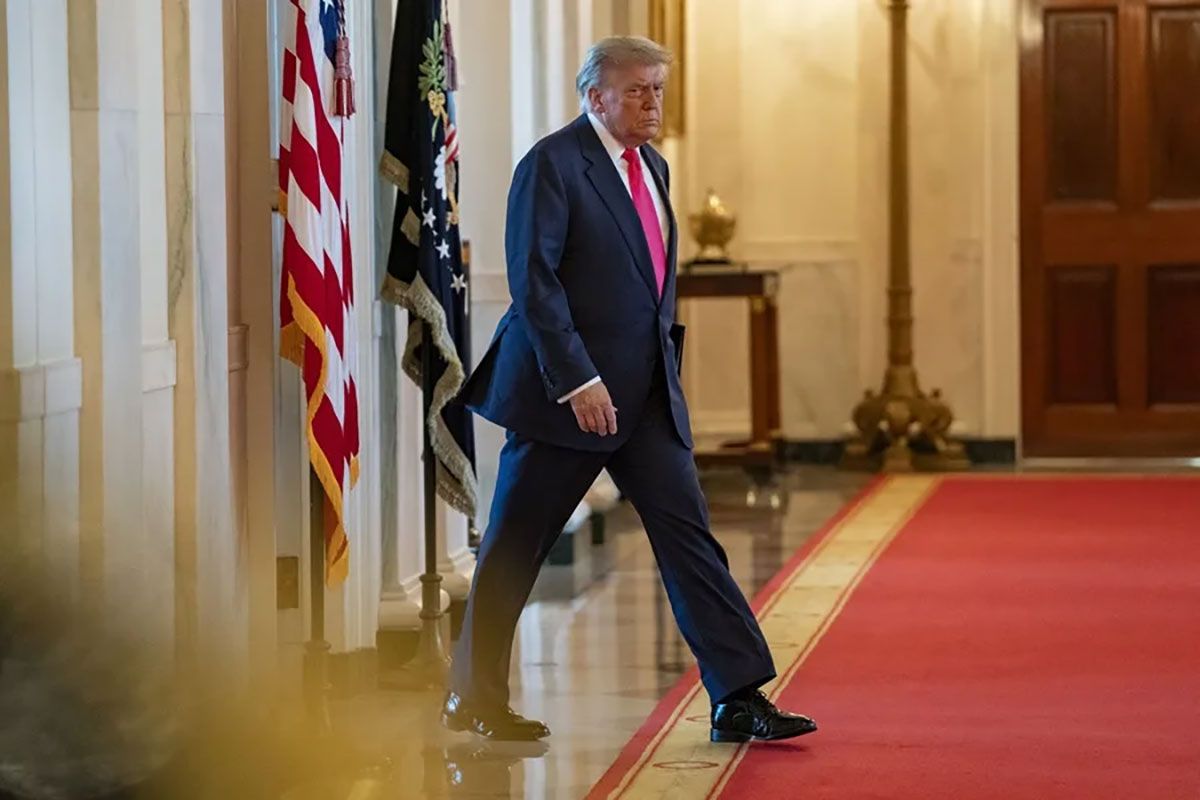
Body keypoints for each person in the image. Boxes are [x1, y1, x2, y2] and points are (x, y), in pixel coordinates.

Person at [443, 36, 818, 744]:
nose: (654, 103)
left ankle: (736, 695)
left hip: (644, 395)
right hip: (568, 399)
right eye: (639, 90)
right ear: (596, 97)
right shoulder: (552, 165)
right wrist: (577, 378)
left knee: (691, 540)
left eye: (659, 89)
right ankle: (472, 697)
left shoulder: (655, 167)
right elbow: (534, 282)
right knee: (514, 547)